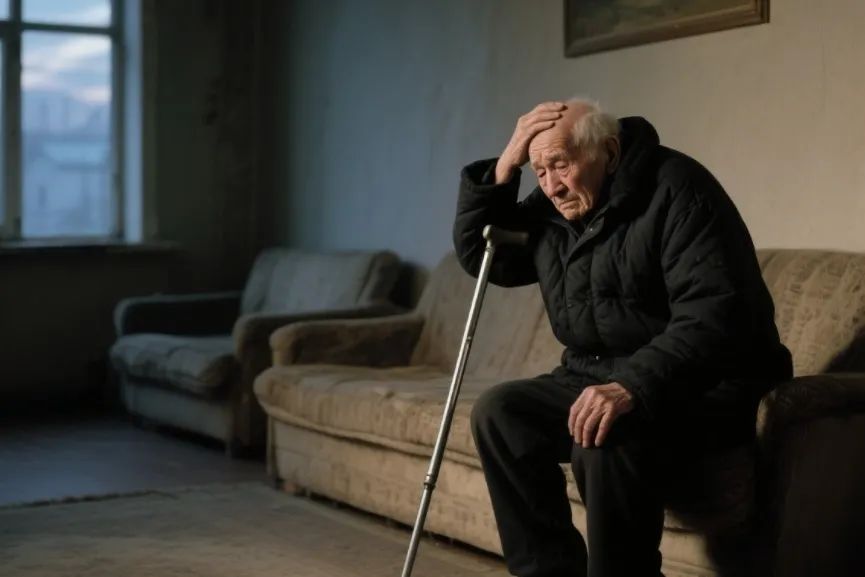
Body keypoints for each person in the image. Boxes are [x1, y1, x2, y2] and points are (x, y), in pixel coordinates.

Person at [453, 98, 792, 577]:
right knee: (500, 414)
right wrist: (506, 164)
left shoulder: (678, 188)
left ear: (609, 153)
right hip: (596, 374)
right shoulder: (556, 205)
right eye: (539, 170)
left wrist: (631, 385)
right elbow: (484, 254)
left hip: (701, 383)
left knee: (602, 435)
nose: (550, 184)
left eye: (561, 165)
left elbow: (716, 313)